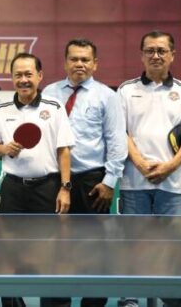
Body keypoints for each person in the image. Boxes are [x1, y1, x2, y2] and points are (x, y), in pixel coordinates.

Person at [117, 31, 181, 307]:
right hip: (134, 182)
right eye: (150, 50)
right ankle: (130, 299)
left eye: (162, 50)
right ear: (142, 55)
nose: (156, 55)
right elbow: (120, 132)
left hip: (173, 182)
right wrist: (141, 164)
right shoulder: (126, 90)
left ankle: (169, 299)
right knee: (133, 243)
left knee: (170, 246)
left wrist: (169, 167)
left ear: (172, 55)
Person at [42, 39, 127, 307]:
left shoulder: (107, 96)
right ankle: (56, 304)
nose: (79, 64)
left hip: (92, 181)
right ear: (65, 62)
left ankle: (93, 303)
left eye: (85, 59)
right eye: (74, 59)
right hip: (55, 180)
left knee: (95, 249)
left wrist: (109, 182)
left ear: (95, 64)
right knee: (55, 247)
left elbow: (116, 141)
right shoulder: (49, 93)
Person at [0, 52, 74, 307]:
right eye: (18, 75)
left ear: (39, 76)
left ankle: (55, 305)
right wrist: (4, 149)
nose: (23, 79)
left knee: (53, 251)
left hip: (47, 188)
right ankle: (13, 303)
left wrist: (65, 188)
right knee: (10, 251)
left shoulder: (54, 107)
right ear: (11, 78)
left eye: (28, 74)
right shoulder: (1, 110)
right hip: (13, 189)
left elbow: (64, 150)